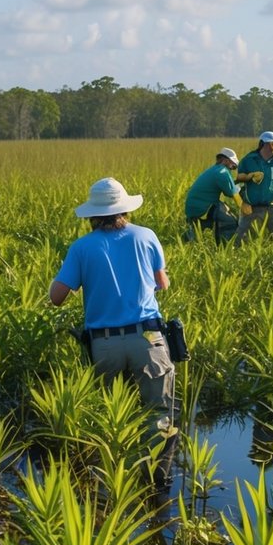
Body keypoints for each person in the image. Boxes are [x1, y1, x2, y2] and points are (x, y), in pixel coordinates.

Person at [50, 177, 178, 489]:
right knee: (158, 412)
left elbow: (56, 297)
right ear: (125, 210)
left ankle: (110, 478)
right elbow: (162, 284)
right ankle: (156, 481)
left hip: (103, 344)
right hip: (148, 338)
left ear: (92, 215)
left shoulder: (81, 247)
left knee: (108, 413)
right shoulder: (146, 236)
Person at [234, 131, 273, 244]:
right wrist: (249, 177)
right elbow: (239, 179)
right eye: (271, 144)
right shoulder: (249, 160)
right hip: (252, 207)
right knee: (242, 238)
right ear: (264, 144)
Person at [184, 147, 246, 244]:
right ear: (225, 160)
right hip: (203, 207)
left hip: (193, 207)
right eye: (232, 165)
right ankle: (227, 245)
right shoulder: (222, 173)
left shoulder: (215, 169)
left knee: (201, 226)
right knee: (229, 219)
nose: (233, 168)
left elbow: (227, 187)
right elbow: (233, 195)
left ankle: (189, 237)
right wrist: (244, 209)